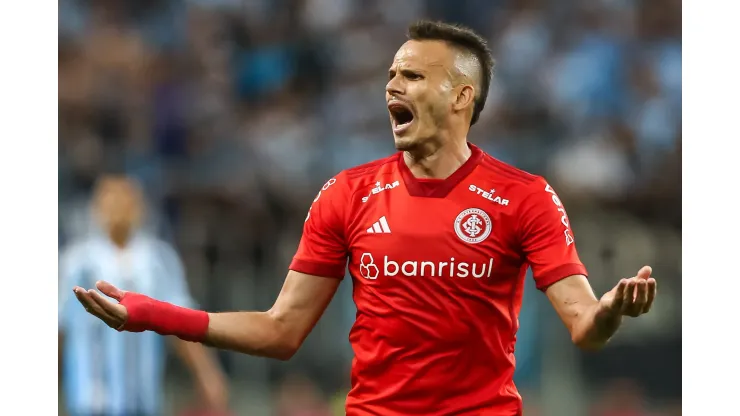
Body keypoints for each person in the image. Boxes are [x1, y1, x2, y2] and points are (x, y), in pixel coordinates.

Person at [72, 21, 657, 416]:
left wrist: (609, 310)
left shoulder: (524, 197)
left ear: (460, 98)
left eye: (412, 76)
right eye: (390, 76)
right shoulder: (347, 194)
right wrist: (151, 314)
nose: (391, 87)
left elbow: (584, 326)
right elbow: (281, 330)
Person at [59, 176, 229, 416]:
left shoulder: (158, 260)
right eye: (110, 201)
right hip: (89, 399)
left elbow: (181, 323)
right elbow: (60, 329)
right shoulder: (76, 262)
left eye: (126, 200)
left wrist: (208, 374)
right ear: (96, 209)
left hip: (144, 399)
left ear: (140, 208)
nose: (118, 208)